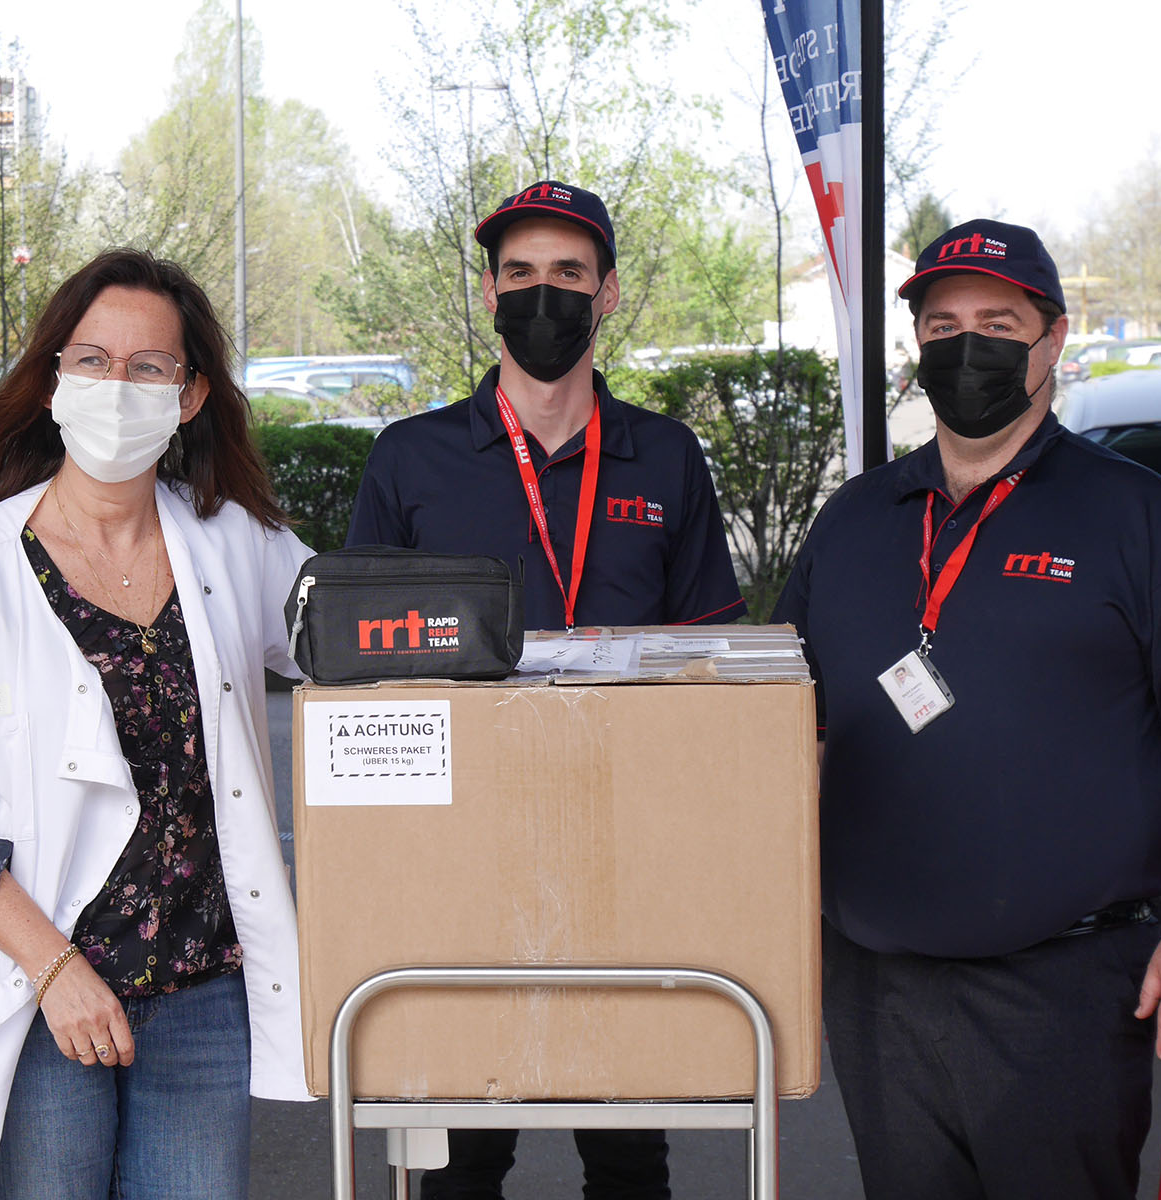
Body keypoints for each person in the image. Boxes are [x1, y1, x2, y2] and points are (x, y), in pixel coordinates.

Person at [772, 218, 1161, 1199]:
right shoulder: (854, 520)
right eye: (943, 326)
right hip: (877, 987)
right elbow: (792, 730)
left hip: (1064, 992)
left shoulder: (1139, 517)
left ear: (1053, 339)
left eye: (998, 324)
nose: (968, 349)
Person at [0, 247, 314, 1200]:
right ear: (54, 379)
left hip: (199, 996)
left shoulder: (234, 541)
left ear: (189, 396)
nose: (117, 387)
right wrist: (56, 970)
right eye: (93, 361)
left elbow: (356, 640)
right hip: (37, 997)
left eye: (149, 367)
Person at [348, 180, 747, 1200]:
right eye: (520, 273)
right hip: (459, 855)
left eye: (568, 273)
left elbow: (710, 665)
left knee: (628, 1148)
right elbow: (363, 672)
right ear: (489, 293)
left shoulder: (665, 455)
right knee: (462, 1153)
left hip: (629, 847)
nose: (543, 294)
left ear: (606, 293)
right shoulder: (412, 457)